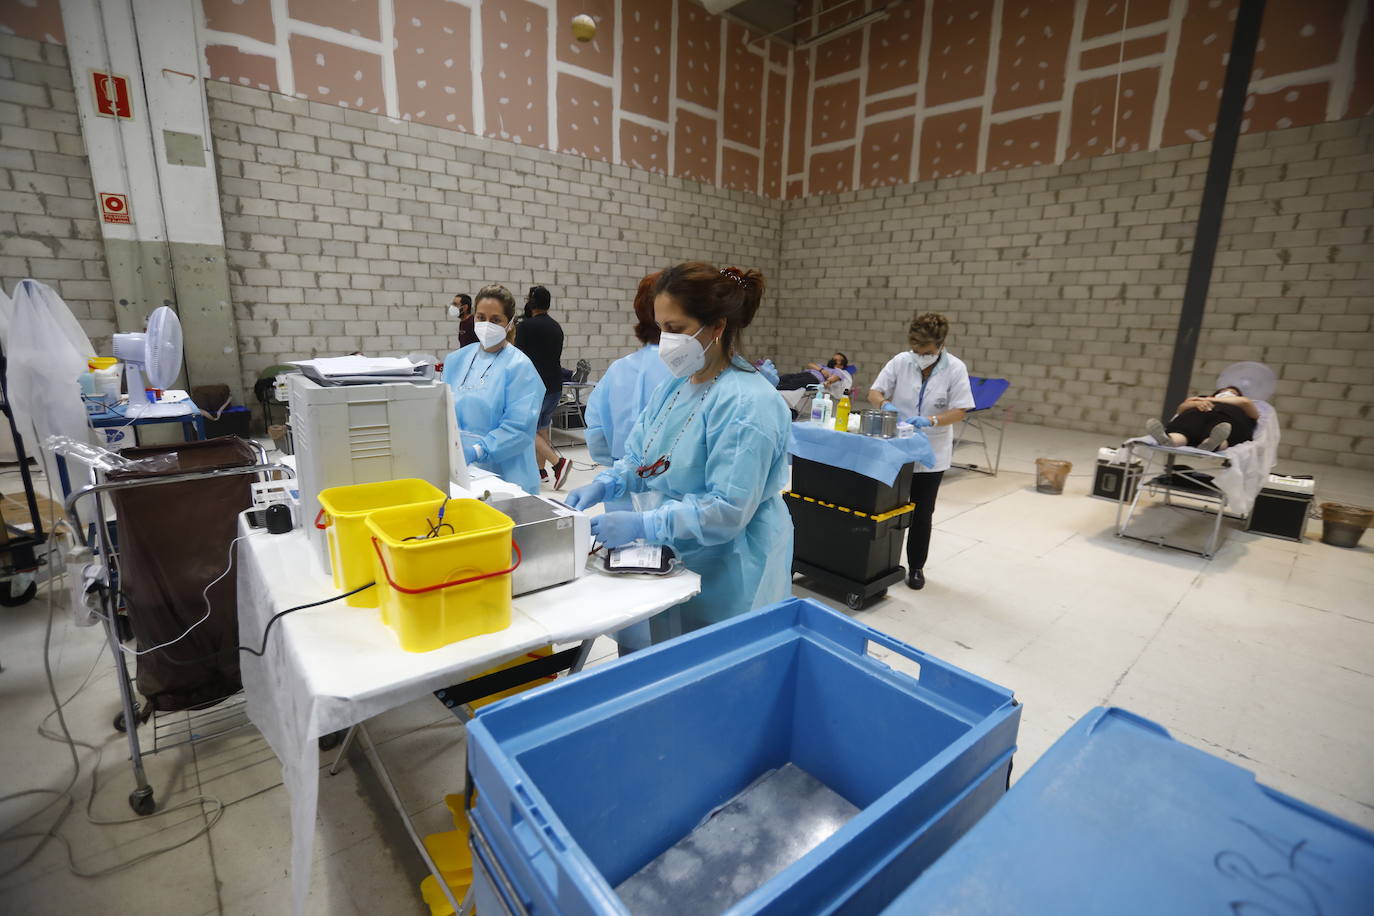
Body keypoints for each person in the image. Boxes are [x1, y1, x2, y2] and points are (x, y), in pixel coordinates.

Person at [566, 262, 793, 644]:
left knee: (718, 666)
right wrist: (608, 483)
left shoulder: (746, 404)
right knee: (672, 652)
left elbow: (727, 511)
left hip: (733, 563)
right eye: (661, 328)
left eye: (676, 329)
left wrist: (645, 525)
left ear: (717, 326)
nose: (666, 340)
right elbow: (640, 455)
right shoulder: (677, 387)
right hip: (682, 551)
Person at [868, 312, 974, 591]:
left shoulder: (955, 369)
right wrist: (884, 405)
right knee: (886, 509)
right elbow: (875, 392)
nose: (918, 354)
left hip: (932, 451)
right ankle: (879, 566)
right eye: (914, 347)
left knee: (922, 512)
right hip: (897, 448)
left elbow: (961, 410)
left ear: (940, 344)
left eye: (924, 350)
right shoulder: (901, 362)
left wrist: (932, 420)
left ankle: (916, 567)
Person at [440, 284, 543, 495]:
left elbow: (519, 428)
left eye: (496, 320)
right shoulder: (456, 360)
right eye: (481, 317)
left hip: (509, 476)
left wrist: (479, 450)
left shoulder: (519, 367)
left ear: (510, 323)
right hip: (465, 472)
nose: (487, 324)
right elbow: (442, 409)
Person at [584, 272, 673, 511]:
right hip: (672, 497)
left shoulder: (619, 369)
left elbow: (596, 434)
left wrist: (617, 464)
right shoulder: (688, 373)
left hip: (620, 495)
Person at [514, 285, 570, 488]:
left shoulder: (526, 326)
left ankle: (558, 463)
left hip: (536, 388)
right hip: (555, 386)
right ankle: (540, 471)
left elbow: (516, 357)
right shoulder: (556, 326)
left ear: (532, 302)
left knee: (527, 429)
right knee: (542, 428)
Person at [1145, 386, 1258, 450]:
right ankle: (1170, 441)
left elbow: (1246, 403)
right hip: (1197, 417)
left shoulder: (1242, 404)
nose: (1227, 393)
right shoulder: (1201, 399)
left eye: (1232, 393)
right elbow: (1181, 408)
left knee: (1222, 430)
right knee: (1185, 427)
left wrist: (1212, 400)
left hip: (1227, 419)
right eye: (1222, 391)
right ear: (1215, 393)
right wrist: (1195, 404)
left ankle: (1212, 444)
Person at [775, 353, 852, 398]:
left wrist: (828, 382)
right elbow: (809, 365)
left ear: (841, 365)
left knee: (793, 383)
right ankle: (771, 385)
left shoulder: (838, 371)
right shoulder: (822, 366)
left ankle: (775, 390)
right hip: (803, 374)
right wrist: (822, 370)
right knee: (785, 377)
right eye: (833, 358)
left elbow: (835, 377)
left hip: (813, 379)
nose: (833, 360)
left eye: (836, 360)